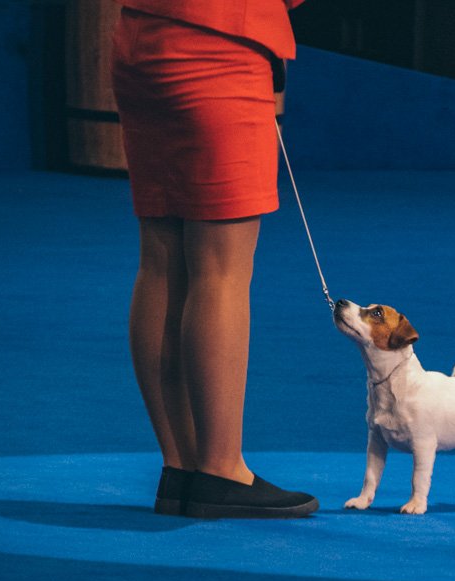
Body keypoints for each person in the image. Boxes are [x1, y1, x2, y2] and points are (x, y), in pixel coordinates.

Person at [109, 0, 318, 518]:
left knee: (161, 259)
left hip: (142, 39)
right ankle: (222, 469)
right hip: (221, 46)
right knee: (220, 271)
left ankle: (181, 469)